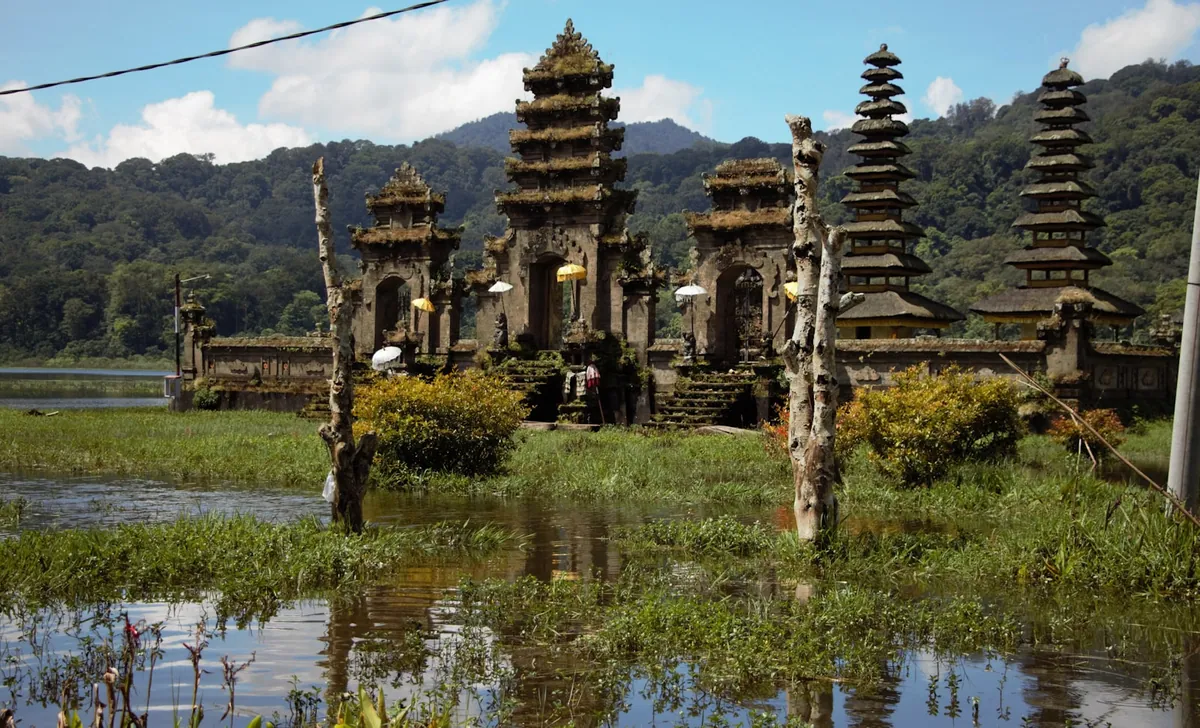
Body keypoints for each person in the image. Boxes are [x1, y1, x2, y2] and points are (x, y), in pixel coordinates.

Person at [584, 358, 601, 424]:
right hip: (590, 393)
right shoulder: (589, 368)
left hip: (594, 392)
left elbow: (595, 378)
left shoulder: (594, 368)